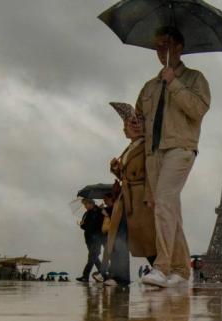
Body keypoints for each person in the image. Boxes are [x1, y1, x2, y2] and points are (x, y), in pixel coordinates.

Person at [127, 26, 211, 288]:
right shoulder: (149, 87)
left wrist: (173, 82)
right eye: (157, 46)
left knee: (164, 201)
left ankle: (161, 266)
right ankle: (180, 270)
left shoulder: (195, 79)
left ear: (179, 47)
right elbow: (139, 120)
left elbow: (198, 110)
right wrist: (131, 129)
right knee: (165, 206)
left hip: (180, 147)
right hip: (153, 151)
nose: (159, 50)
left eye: (165, 44)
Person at [104, 107, 157, 287]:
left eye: (127, 125)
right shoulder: (129, 148)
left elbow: (151, 172)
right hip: (126, 197)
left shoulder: (147, 146)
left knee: (145, 237)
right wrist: (116, 170)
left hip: (140, 197)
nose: (124, 129)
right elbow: (128, 175)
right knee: (120, 235)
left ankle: (160, 270)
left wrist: (150, 195)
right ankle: (119, 276)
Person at [76, 198, 105, 283]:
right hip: (88, 239)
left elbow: (98, 225)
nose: (85, 206)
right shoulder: (86, 213)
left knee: (92, 257)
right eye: (84, 205)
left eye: (85, 204)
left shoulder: (99, 211)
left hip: (96, 238)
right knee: (94, 258)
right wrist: (82, 225)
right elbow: (85, 227)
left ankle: (85, 276)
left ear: (91, 203)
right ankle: (104, 274)